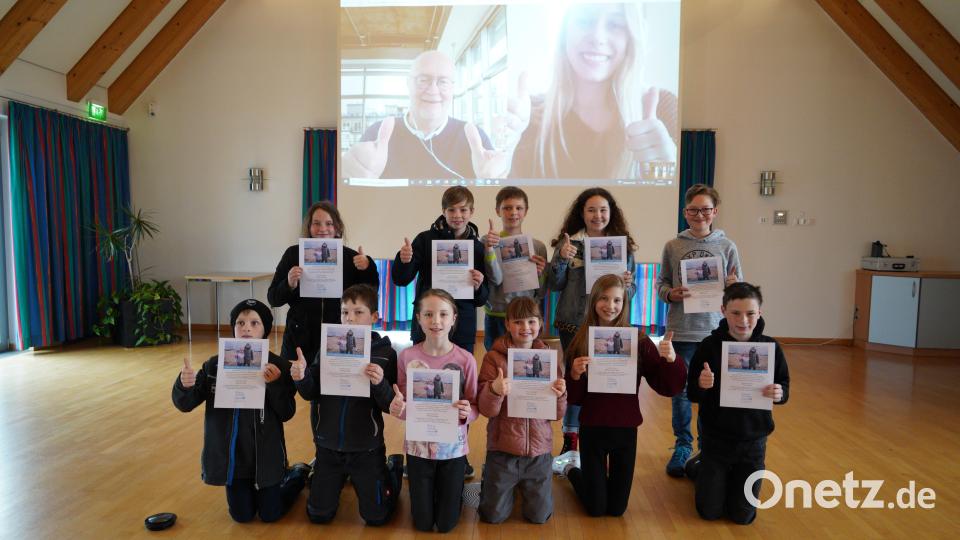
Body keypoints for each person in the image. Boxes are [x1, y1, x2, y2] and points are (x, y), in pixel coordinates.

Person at [555, 275, 686, 517]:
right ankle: (572, 470)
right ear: (594, 300)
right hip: (593, 427)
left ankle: (590, 479)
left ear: (624, 303)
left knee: (616, 510)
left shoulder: (638, 341)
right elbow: (574, 398)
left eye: (617, 300)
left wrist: (671, 360)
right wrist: (574, 375)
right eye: (604, 298)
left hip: (625, 429)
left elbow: (666, 386)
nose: (610, 305)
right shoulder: (581, 341)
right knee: (595, 509)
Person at [172, 299, 308, 523]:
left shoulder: (279, 366)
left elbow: (287, 412)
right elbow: (185, 404)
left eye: (255, 323)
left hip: (266, 458)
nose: (246, 327)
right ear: (233, 328)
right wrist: (184, 384)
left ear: (265, 329)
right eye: (240, 322)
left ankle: (297, 475)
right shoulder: (214, 366)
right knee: (241, 516)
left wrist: (274, 384)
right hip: (233, 459)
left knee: (270, 514)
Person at [510, 3, 678, 179]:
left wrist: (670, 173)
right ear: (565, 32)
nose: (598, 37)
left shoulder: (663, 110)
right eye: (584, 20)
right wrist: (501, 166)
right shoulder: (527, 116)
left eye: (615, 24)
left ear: (631, 37)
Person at [289, 284, 403, 526]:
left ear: (374, 317)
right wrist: (302, 377)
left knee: (376, 517)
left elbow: (387, 404)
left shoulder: (385, 354)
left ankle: (391, 469)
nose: (349, 317)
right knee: (318, 515)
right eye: (344, 312)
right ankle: (330, 479)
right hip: (328, 446)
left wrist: (380, 382)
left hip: (366, 448)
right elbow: (310, 393)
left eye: (358, 312)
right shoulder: (327, 347)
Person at [656, 183, 743, 477]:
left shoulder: (727, 247)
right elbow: (661, 285)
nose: (699, 214)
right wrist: (672, 294)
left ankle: (708, 448)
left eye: (705, 209)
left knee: (713, 392)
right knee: (680, 393)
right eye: (693, 209)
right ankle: (682, 445)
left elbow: (739, 291)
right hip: (681, 331)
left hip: (716, 333)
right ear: (685, 212)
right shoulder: (673, 246)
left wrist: (732, 288)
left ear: (715, 212)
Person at [686, 282, 790, 525]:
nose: (743, 320)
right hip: (716, 439)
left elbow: (784, 385)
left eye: (750, 313)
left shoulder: (770, 348)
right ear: (723, 310)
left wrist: (779, 393)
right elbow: (691, 393)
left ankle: (724, 478)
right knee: (709, 512)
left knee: (743, 517)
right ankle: (698, 466)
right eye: (735, 313)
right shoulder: (708, 347)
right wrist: (702, 385)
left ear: (759, 313)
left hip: (753, 442)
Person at [547, 187, 636, 457]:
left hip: (608, 327)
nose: (597, 215)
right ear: (582, 214)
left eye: (603, 209)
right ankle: (570, 439)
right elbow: (554, 284)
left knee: (603, 384)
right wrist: (562, 259)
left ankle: (596, 439)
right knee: (576, 380)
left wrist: (628, 285)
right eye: (591, 210)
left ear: (611, 213)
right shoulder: (569, 245)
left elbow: (629, 294)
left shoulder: (623, 248)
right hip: (573, 324)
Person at [342, 50, 514, 180]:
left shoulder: (475, 138)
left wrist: (493, 183)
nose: (433, 90)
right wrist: (349, 177)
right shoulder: (376, 134)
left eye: (443, 81)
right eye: (423, 80)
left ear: (452, 88)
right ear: (408, 84)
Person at [388, 289, 479, 533]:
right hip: (419, 448)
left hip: (454, 449)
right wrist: (399, 408)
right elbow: (404, 404)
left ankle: (456, 491)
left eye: (442, 314)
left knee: (447, 524)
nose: (435, 321)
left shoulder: (466, 359)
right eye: (428, 314)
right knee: (423, 523)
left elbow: (475, 405)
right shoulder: (407, 356)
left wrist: (466, 412)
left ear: (454, 318)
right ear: (418, 318)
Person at [477, 296, 566, 524]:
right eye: (518, 322)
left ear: (540, 324)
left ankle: (522, 486)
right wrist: (494, 390)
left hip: (539, 452)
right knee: (492, 516)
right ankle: (494, 477)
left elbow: (557, 414)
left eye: (531, 321)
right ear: (507, 324)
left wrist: (561, 394)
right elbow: (487, 410)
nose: (525, 328)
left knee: (539, 517)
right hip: (503, 450)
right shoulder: (493, 358)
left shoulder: (549, 358)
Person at [268, 201, 379, 366]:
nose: (322, 229)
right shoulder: (293, 254)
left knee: (330, 387)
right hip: (298, 336)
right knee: (287, 384)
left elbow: (371, 294)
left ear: (338, 228)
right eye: (316, 223)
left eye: (329, 223)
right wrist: (289, 283)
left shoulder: (352, 258)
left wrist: (367, 267)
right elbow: (273, 299)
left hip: (337, 337)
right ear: (309, 227)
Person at [393, 186, 489, 356]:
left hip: (462, 327)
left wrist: (479, 285)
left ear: (472, 212)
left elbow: (482, 299)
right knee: (422, 376)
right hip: (427, 324)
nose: (457, 215)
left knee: (460, 378)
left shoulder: (478, 248)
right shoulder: (424, 240)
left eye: (463, 209)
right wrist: (404, 260)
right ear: (443, 211)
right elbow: (401, 279)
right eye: (451, 209)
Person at [481, 186, 548, 351]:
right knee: (496, 363)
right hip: (497, 314)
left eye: (519, 208)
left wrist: (539, 274)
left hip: (526, 318)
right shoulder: (487, 242)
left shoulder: (537, 246)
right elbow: (494, 279)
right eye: (507, 208)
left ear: (526, 211)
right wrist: (489, 249)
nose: (513, 212)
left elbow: (541, 291)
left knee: (524, 366)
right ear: (498, 211)